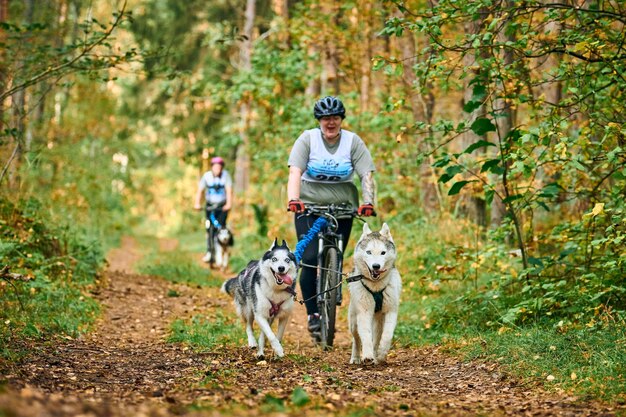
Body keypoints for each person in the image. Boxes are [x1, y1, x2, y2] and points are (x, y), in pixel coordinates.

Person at [286, 96, 377, 337]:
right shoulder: (308, 139)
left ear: (341, 120)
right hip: (309, 207)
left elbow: (365, 173)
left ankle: (333, 278)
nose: (331, 122)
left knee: (338, 253)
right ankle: (313, 314)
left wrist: (368, 202)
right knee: (309, 258)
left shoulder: (352, 142)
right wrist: (294, 199)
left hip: (343, 207)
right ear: (319, 120)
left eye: (335, 118)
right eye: (326, 118)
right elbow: (295, 171)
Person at [194, 156, 233, 264]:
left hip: (222, 206)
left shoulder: (226, 176)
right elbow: (200, 191)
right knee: (209, 228)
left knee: (221, 228)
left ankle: (224, 252)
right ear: (212, 167)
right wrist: (197, 203)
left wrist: (229, 204)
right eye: (216, 167)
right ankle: (209, 252)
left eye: (220, 167)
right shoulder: (206, 176)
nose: (218, 169)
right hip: (210, 206)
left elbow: (229, 191)